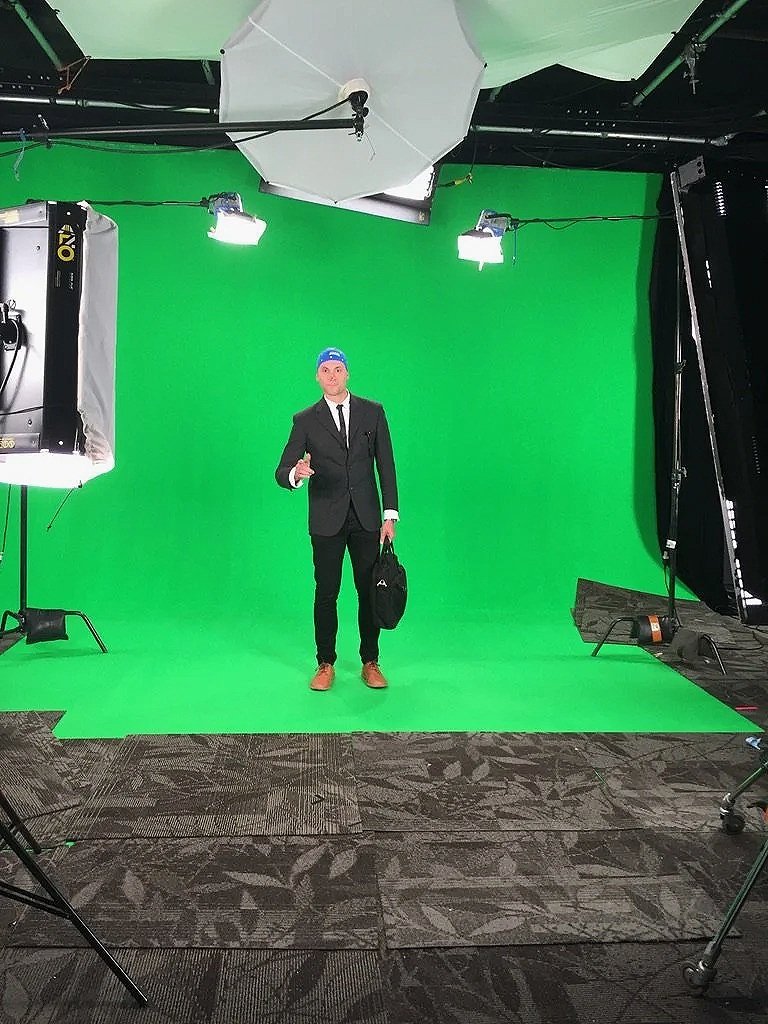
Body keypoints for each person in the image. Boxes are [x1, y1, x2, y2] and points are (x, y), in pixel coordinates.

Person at [275, 348, 399, 691]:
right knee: (326, 592)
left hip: (366, 518)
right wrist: (296, 474)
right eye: (325, 370)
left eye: (338, 369)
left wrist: (390, 514)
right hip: (326, 519)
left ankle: (370, 661)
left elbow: (385, 465)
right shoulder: (304, 420)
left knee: (368, 592)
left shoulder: (372, 413)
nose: (332, 375)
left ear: (347, 374)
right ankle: (325, 663)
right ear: (317, 376)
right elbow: (281, 470)